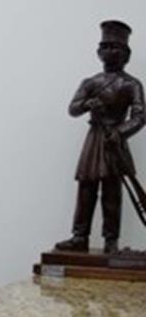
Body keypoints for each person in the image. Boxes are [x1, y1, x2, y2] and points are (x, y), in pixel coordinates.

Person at [55, 20, 145, 254]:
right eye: (105, 46)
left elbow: (139, 117)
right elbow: (73, 108)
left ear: (126, 54)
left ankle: (111, 240)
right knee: (86, 189)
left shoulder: (132, 84)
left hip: (114, 141)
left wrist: (120, 131)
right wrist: (87, 104)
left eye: (115, 47)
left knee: (112, 192)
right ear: (98, 52)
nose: (109, 51)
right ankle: (79, 236)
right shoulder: (90, 82)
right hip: (94, 140)